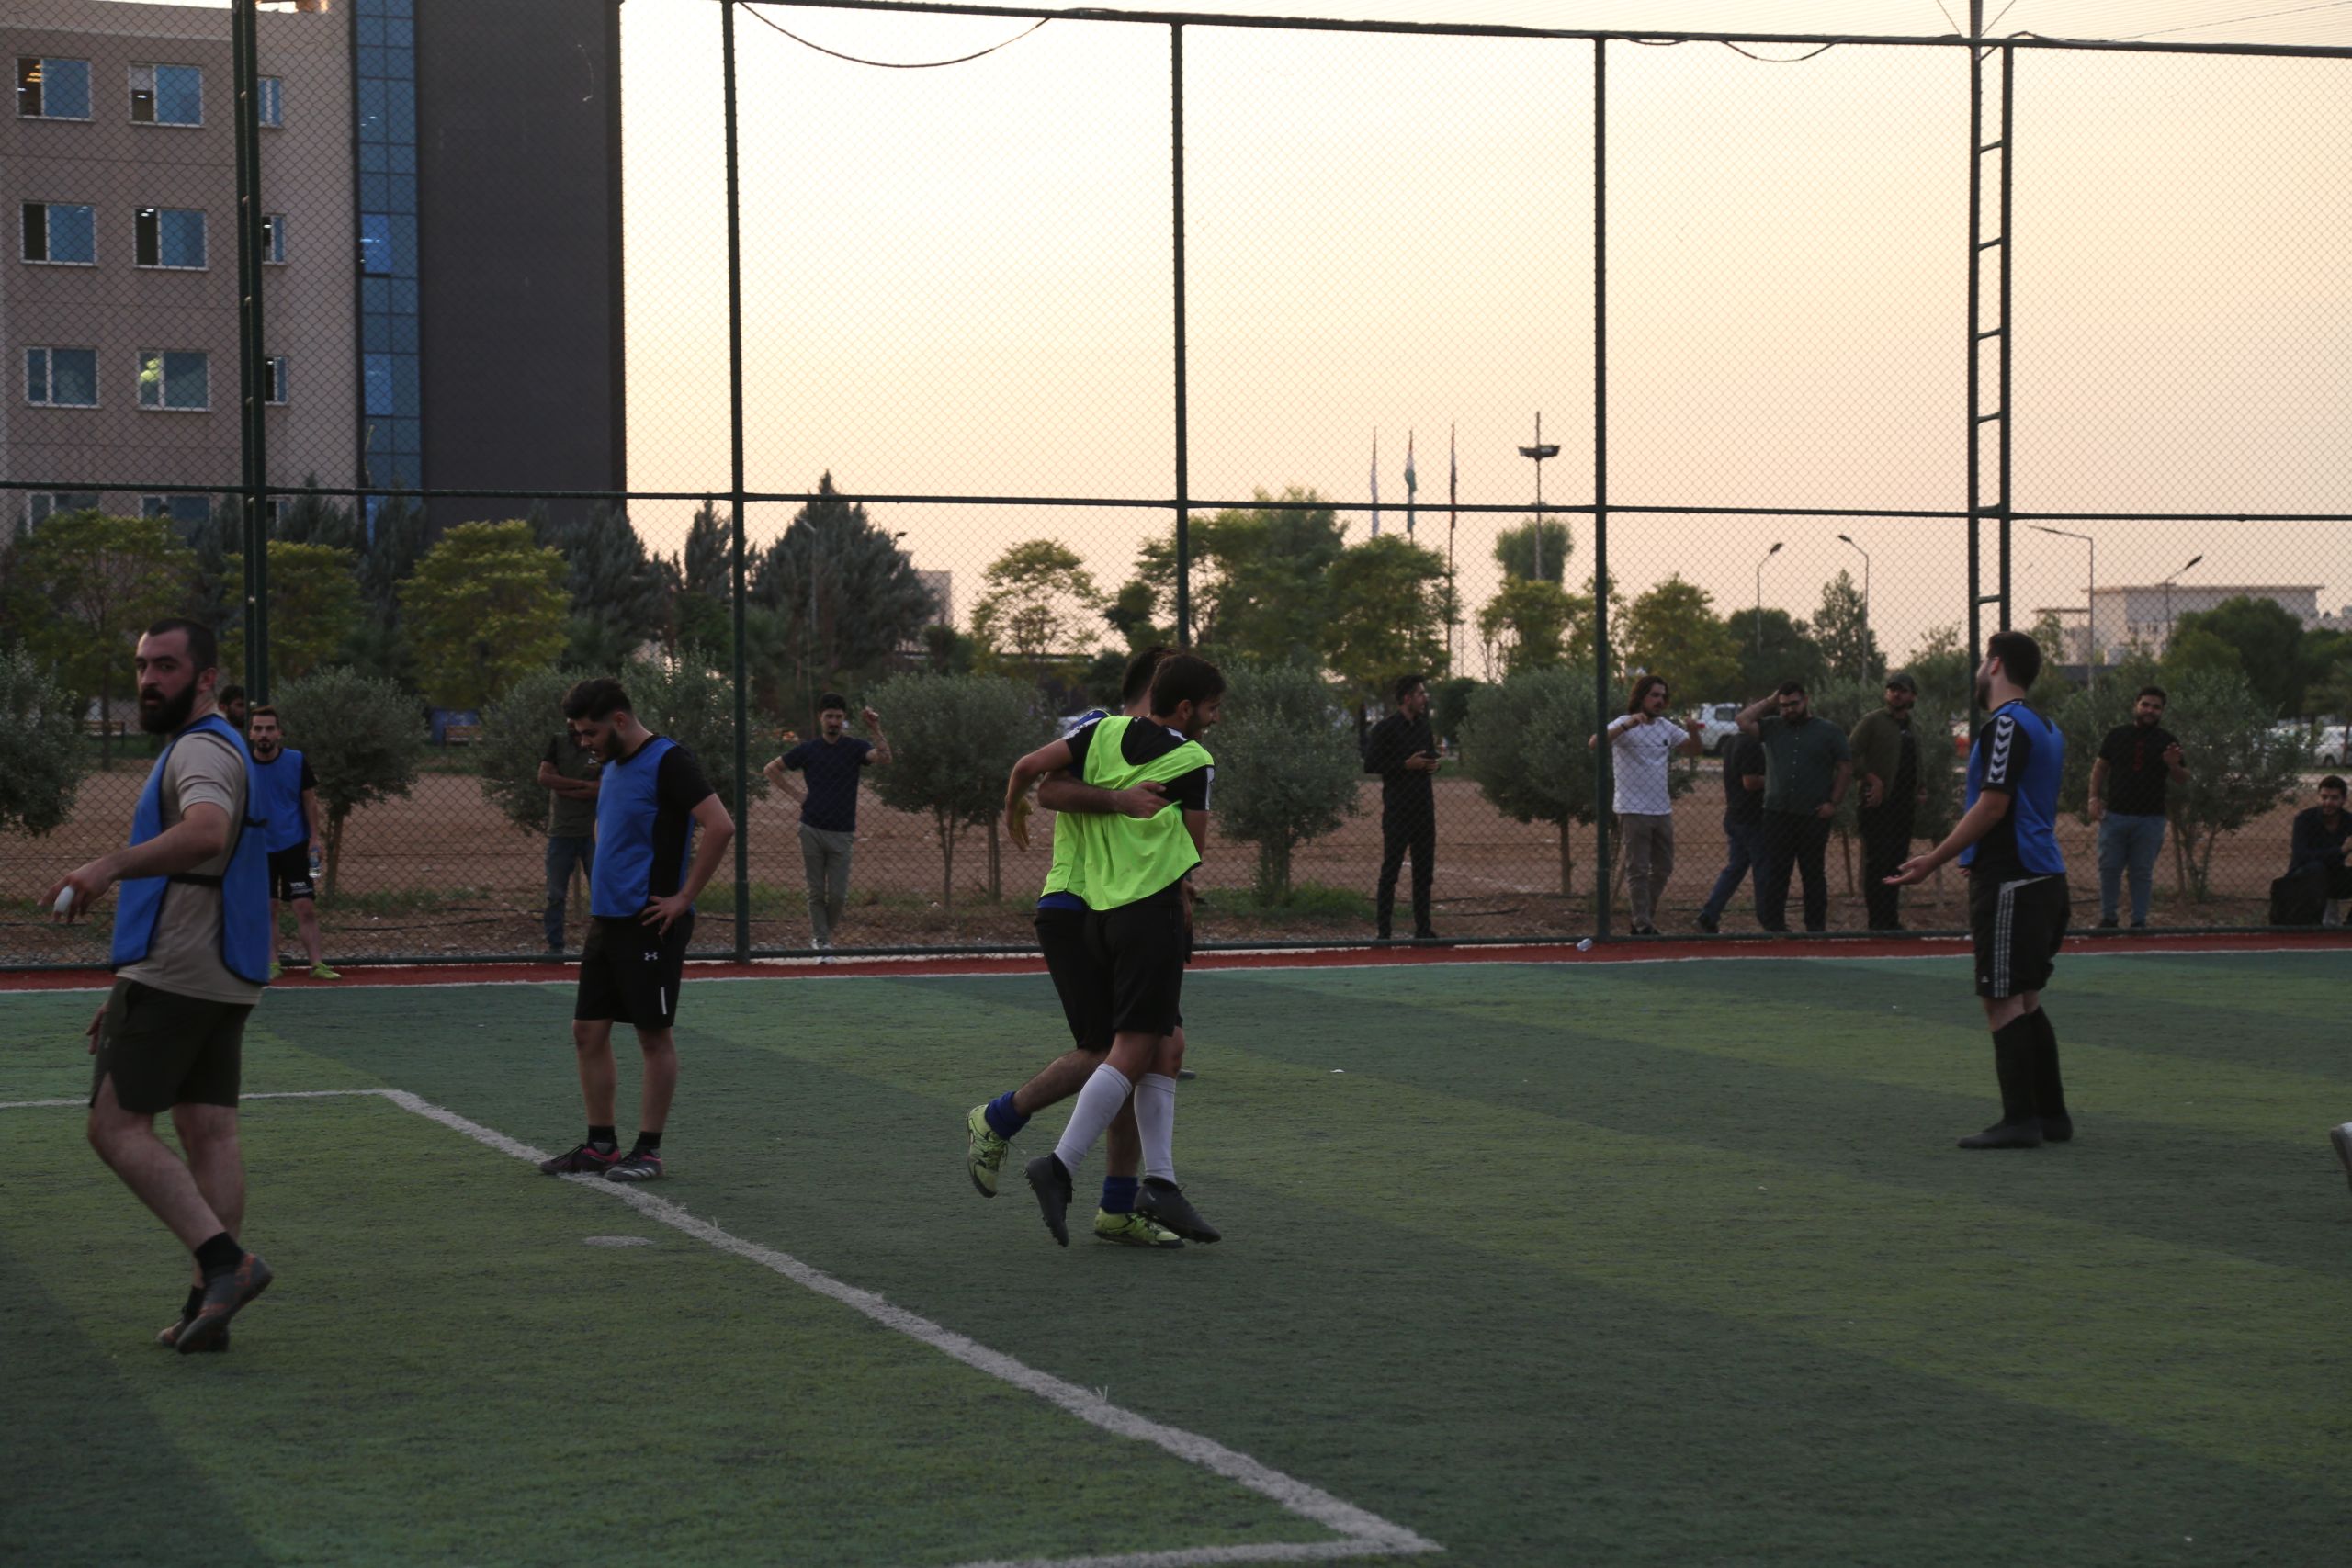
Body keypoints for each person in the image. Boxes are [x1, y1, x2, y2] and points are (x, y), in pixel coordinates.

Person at [46, 619, 274, 1354]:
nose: (148, 679)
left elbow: (206, 833)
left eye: (166, 666)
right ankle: (209, 1303)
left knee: (114, 1127)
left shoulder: (200, 748)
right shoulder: (222, 744)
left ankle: (225, 1262)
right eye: (143, 665)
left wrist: (108, 865)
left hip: (180, 964)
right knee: (210, 1131)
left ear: (205, 678)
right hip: (220, 969)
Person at [970, 646, 1190, 1247]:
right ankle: (999, 1118)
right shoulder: (1100, 730)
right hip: (1075, 905)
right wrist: (1016, 797)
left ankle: (1119, 1205)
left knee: (1150, 1049)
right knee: (1113, 1053)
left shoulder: (1168, 751)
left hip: (1120, 909)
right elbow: (1045, 785)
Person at [1023, 655, 1225, 1249]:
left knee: (1167, 1044)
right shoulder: (1194, 758)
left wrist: (1015, 795)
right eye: (1212, 708)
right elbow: (1193, 847)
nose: (1215, 718)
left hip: (1101, 908)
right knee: (1133, 1047)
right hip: (1150, 909)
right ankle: (1059, 1164)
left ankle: (1158, 1184)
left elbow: (1038, 776)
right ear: (1185, 708)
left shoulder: (1102, 732)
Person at [538, 678, 735, 1182]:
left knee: (652, 1037)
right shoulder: (612, 763)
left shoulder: (669, 761)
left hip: (651, 922)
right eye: (578, 733)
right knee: (587, 1032)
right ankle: (601, 1146)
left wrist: (684, 897)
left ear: (620, 721)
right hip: (608, 920)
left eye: (590, 732)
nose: (584, 742)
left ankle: (648, 1152)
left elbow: (720, 825)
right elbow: (609, 826)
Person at [1887, 629, 2072, 1149]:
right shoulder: (2046, 725)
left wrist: (1934, 860)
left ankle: (2020, 1122)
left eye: (1980, 663)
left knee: (2001, 999)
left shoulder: (2006, 724)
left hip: (2014, 879)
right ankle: (2051, 1117)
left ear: (1994, 665)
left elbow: (1993, 806)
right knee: (2026, 998)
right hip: (2042, 876)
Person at [764, 694, 891, 952]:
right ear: (820, 718)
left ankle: (822, 935)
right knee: (815, 892)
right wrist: (798, 795)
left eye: (838, 717)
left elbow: (885, 758)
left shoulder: (855, 748)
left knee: (838, 896)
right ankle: (821, 942)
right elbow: (771, 769)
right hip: (811, 829)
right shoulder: (807, 750)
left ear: (844, 719)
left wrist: (875, 728)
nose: (833, 721)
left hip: (842, 832)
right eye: (829, 716)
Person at [1591, 674, 1702, 935]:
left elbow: (1694, 750)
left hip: (1661, 809)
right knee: (1638, 869)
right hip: (1633, 809)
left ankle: (1642, 918)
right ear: (1641, 696)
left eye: (1663, 696)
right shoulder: (1624, 723)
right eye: (1654, 695)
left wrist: (1693, 731)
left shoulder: (1665, 727)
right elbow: (1595, 743)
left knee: (1663, 868)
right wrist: (1627, 726)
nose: (1660, 700)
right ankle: (1642, 925)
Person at [1737, 681, 1851, 933]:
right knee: (1777, 872)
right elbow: (1742, 721)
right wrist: (1770, 701)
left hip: (1814, 814)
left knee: (1813, 873)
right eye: (1784, 705)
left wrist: (1833, 803)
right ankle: (1775, 927)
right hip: (1777, 813)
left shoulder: (1829, 731)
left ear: (1806, 700)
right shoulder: (1772, 727)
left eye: (1794, 704)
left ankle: (1815, 927)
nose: (1789, 709)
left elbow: (1845, 767)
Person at [244, 705, 336, 981]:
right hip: (259, 849)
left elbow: (309, 800)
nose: (264, 734)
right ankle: (272, 964)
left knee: (304, 906)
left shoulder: (296, 761)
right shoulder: (242, 765)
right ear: (251, 733)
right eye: (258, 728)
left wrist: (315, 839)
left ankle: (317, 964)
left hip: (295, 845)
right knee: (268, 907)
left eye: (269, 728)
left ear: (279, 733)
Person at [2088, 686, 2187, 930]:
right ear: (2136, 705)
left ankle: (2139, 923)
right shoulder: (2116, 735)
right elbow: (2100, 767)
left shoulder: (2168, 741)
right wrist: (2093, 798)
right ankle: (2109, 919)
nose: (2150, 710)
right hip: (2115, 816)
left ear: (2162, 711)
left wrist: (2173, 765)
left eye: (2156, 707)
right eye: (2145, 705)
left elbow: (2182, 779)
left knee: (2141, 873)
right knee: (2109, 869)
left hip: (2151, 820)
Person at [1363, 672, 1442, 940]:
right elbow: (1371, 764)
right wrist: (1405, 765)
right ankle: (1384, 932)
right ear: (1407, 698)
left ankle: (1423, 929)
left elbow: (1428, 758)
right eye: (1420, 693)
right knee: (1391, 872)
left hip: (1423, 809)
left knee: (1424, 872)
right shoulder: (1385, 729)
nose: (1424, 698)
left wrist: (1432, 765)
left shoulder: (1423, 727)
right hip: (1398, 809)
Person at [1849, 672, 1927, 931]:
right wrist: (1873, 779)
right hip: (1877, 804)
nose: (1896, 694)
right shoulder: (1873, 721)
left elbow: (1916, 761)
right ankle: (1877, 923)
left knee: (1897, 862)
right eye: (1892, 689)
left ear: (1912, 696)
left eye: (1902, 690)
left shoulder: (1913, 727)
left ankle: (1890, 920)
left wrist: (1921, 787)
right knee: (1877, 862)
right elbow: (1850, 753)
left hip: (1904, 806)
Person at [537, 724, 602, 955]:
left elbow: (603, 788)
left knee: (601, 891)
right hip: (562, 831)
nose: (582, 741)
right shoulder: (558, 742)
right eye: (577, 736)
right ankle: (555, 946)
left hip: (594, 832)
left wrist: (564, 784)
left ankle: (602, 946)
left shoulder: (602, 745)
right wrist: (583, 784)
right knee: (555, 894)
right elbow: (544, 777)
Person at [1696, 726, 1768, 934]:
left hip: (1736, 815)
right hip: (1753, 818)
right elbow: (1750, 782)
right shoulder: (1752, 744)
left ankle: (1709, 914)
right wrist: (1779, 776)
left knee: (1736, 867)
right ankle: (1769, 917)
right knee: (1763, 870)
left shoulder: (1733, 741)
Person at [2284, 775, 2352, 926]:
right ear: (2318, 797)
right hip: (2304, 878)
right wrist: (2340, 851)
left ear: (2344, 800)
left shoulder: (2349, 821)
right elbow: (2301, 856)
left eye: (2334, 798)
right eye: (2324, 797)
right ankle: (2313, 926)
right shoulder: (2304, 819)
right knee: (2317, 868)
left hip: (2335, 876)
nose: (2328, 802)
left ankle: (2349, 927)